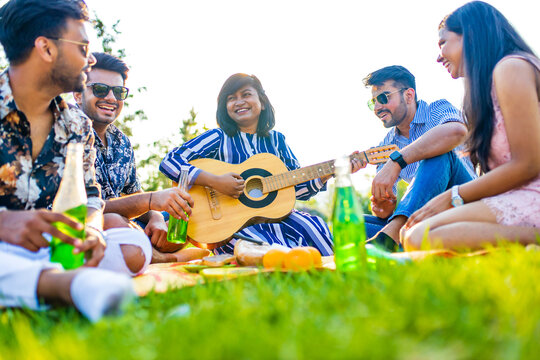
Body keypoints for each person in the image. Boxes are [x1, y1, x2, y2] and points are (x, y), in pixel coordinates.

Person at [0, 0, 144, 322]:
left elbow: (93, 197)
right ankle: (64, 286)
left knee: (134, 246)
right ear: (46, 48)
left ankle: (43, 280)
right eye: (82, 47)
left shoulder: (77, 126)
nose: (89, 58)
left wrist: (92, 231)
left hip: (45, 246)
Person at [402, 1, 540, 250]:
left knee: (420, 236)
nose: (437, 56)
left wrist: (452, 196)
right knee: (414, 234)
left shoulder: (511, 68)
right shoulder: (479, 95)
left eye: (443, 42)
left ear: (471, 35)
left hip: (533, 196)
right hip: (514, 198)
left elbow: (529, 163)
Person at [160, 73, 343, 255]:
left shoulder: (277, 141)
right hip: (231, 227)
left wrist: (326, 173)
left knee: (314, 227)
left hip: (279, 218)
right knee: (267, 249)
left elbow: (296, 189)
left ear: (262, 103)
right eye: (231, 98)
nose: (239, 102)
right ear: (225, 108)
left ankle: (333, 274)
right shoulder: (218, 137)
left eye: (246, 94)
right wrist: (215, 181)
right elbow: (171, 161)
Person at [73, 52, 210, 263]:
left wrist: (155, 216)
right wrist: (152, 200)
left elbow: (133, 192)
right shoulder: (65, 132)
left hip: (125, 225)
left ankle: (152, 250)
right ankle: (165, 259)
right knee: (110, 219)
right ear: (78, 94)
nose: (111, 98)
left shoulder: (121, 141)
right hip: (81, 227)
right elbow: (84, 207)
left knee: (181, 219)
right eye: (100, 89)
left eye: (119, 92)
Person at [361, 65, 476, 251]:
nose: (377, 108)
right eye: (373, 102)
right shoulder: (386, 145)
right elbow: (386, 211)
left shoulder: (437, 109)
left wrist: (397, 161)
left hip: (465, 203)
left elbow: (456, 131)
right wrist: (383, 204)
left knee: (439, 152)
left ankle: (393, 239)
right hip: (424, 216)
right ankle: (400, 241)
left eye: (383, 98)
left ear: (408, 95)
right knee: (358, 224)